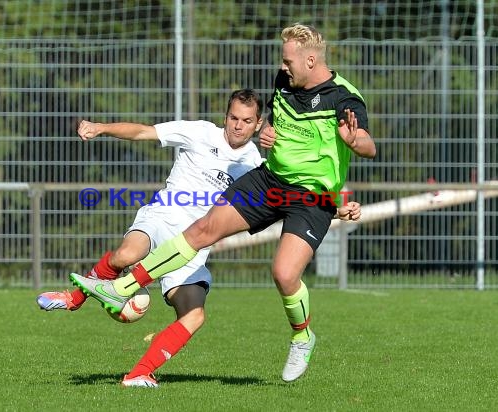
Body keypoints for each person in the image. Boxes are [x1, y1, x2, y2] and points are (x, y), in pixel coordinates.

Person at [70, 23, 375, 384]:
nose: (282, 66)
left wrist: (354, 140)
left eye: (288, 60)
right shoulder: (284, 83)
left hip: (311, 199)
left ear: (311, 60)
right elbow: (280, 133)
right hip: (270, 181)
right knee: (203, 230)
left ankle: (302, 336)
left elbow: (369, 147)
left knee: (284, 274)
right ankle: (121, 287)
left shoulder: (344, 98)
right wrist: (267, 134)